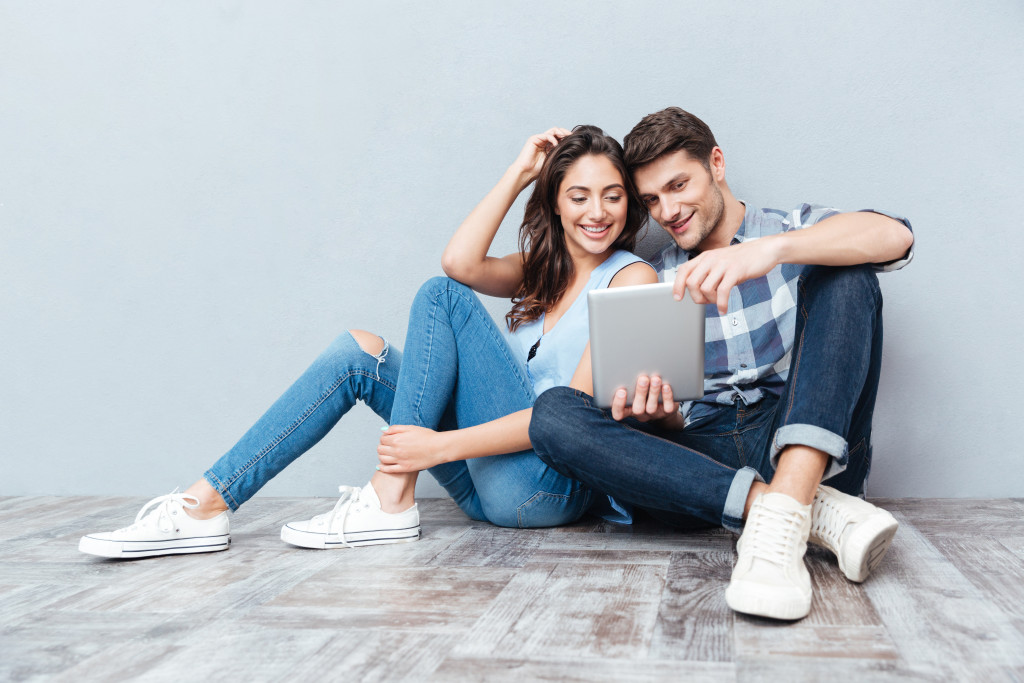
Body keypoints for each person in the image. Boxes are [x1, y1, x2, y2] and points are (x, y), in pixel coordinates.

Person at [79, 125, 658, 558]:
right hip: (489, 484)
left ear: (627, 203)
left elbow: (573, 422)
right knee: (360, 351)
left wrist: (432, 451)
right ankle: (204, 504)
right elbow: (461, 260)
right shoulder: (541, 269)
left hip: (546, 488)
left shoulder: (632, 279)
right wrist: (517, 172)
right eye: (578, 195)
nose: (597, 211)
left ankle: (390, 496)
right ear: (555, 201)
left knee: (441, 297)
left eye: (612, 195)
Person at [528, 107, 915, 621]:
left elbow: (895, 236)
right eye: (651, 200)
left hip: (798, 436)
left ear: (716, 163)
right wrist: (654, 416)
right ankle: (793, 509)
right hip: (701, 465)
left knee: (847, 274)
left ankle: (792, 498)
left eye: (678, 185)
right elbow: (667, 430)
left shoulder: (791, 230)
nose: (667, 210)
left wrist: (770, 252)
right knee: (554, 414)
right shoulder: (651, 277)